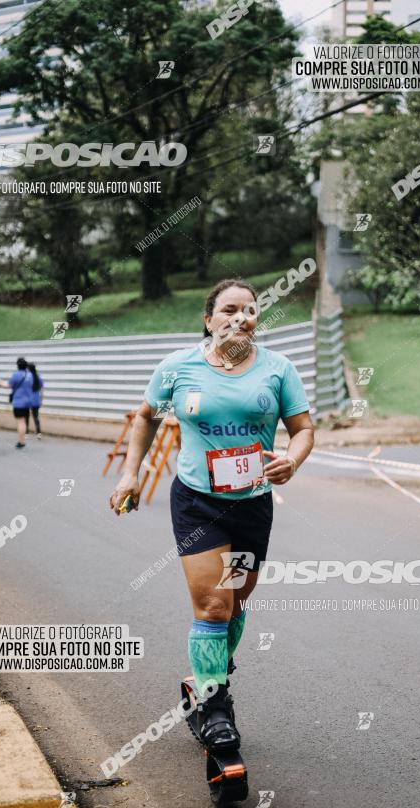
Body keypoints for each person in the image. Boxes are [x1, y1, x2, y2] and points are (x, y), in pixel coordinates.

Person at [109, 279, 315, 755]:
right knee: (213, 607)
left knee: (236, 604)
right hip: (199, 502)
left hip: (252, 504)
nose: (239, 317)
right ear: (209, 319)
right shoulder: (177, 368)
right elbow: (146, 417)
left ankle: (205, 675)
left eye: (249, 310)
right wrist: (129, 475)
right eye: (228, 309)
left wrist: (293, 458)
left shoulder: (278, 369)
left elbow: (303, 429)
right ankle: (215, 707)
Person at [0, 357, 33, 449]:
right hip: (27, 402)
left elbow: (8, 385)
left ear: (18, 366)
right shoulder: (30, 375)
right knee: (24, 421)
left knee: (20, 422)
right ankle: (23, 440)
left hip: (18, 402)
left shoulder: (16, 375)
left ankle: (21, 442)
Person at [27, 363, 44, 439]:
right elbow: (42, 389)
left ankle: (26, 433)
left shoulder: (27, 377)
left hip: (28, 399)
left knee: (26, 416)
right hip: (36, 399)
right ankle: (38, 433)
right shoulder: (38, 377)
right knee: (36, 417)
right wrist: (42, 399)